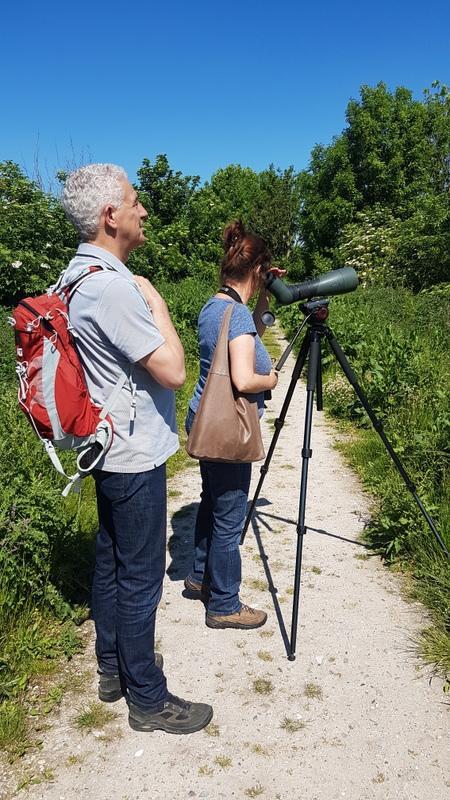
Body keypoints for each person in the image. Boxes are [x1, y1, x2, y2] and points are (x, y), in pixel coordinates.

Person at [60, 164, 212, 734]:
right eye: (134, 201)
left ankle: (111, 668)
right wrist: (158, 302)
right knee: (141, 573)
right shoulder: (115, 286)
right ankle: (147, 697)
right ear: (110, 216)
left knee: (111, 557)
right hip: (131, 452)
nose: (142, 210)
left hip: (103, 447)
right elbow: (172, 370)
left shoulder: (73, 278)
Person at [184, 220, 281, 630]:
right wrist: (271, 379)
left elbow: (248, 336)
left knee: (213, 499)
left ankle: (198, 576)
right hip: (229, 428)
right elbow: (244, 379)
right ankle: (224, 603)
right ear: (257, 270)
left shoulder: (216, 307)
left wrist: (260, 304)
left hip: (205, 418)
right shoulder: (235, 316)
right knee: (230, 516)